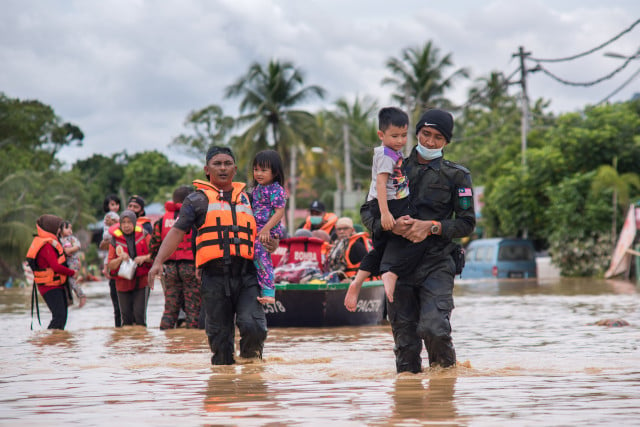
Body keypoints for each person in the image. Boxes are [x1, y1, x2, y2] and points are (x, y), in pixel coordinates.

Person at [359, 108, 475, 373]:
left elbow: (467, 223)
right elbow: (368, 210)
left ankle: (444, 387)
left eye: (438, 137)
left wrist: (431, 227)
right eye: (425, 134)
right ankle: (408, 407)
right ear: (417, 133)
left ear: (447, 142)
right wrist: (390, 226)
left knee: (434, 328)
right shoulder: (393, 164)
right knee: (406, 345)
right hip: (398, 264)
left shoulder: (457, 176)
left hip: (438, 262)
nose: (430, 142)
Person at [148, 146, 269, 365]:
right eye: (217, 164)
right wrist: (158, 262)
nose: (223, 168)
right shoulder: (196, 201)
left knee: (254, 327)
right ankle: (224, 385)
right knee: (220, 345)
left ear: (235, 168)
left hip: (247, 275)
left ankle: (252, 375)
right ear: (207, 169)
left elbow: (270, 235)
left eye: (227, 164)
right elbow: (176, 232)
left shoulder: (251, 199)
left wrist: (272, 241)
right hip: (213, 277)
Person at [346, 107, 420, 303]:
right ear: (381, 135)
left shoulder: (393, 151)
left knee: (379, 249)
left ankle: (357, 282)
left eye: (404, 135)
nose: (400, 140)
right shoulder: (387, 155)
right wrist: (386, 214)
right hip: (390, 205)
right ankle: (389, 274)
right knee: (407, 236)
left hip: (392, 202)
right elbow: (380, 183)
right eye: (394, 136)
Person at [149, 185, 201, 329]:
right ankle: (192, 341)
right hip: (191, 267)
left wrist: (158, 262)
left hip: (170, 268)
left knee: (170, 309)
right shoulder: (195, 218)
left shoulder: (161, 221)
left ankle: (166, 337)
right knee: (193, 309)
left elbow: (153, 246)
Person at [25, 214, 77, 329]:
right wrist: (72, 273)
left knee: (61, 317)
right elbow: (56, 267)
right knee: (59, 317)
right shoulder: (46, 246)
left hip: (54, 284)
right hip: (49, 286)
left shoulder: (50, 242)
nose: (60, 230)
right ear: (51, 227)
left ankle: (55, 343)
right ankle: (50, 341)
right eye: (58, 227)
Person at [250, 149, 287, 304]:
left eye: (264, 170)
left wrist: (265, 229)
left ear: (275, 172)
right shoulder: (255, 190)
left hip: (267, 231)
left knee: (261, 256)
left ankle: (269, 292)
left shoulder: (276, 189)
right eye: (256, 170)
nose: (259, 173)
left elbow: (279, 213)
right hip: (256, 230)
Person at [107, 210, 153, 326]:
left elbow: (155, 255)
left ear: (134, 223)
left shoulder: (144, 234)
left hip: (141, 281)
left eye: (129, 222)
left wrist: (144, 258)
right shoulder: (114, 240)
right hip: (123, 283)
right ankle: (128, 343)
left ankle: (141, 342)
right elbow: (110, 265)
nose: (126, 225)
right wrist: (120, 258)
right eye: (124, 223)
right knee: (126, 319)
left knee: (139, 317)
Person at [99, 194, 122, 327]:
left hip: (119, 263)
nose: (114, 207)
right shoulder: (110, 217)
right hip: (110, 243)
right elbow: (104, 245)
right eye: (112, 204)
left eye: (116, 204)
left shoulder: (118, 218)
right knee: (117, 306)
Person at [60, 221, 87, 308]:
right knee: (66, 282)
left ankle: (81, 295)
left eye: (71, 228)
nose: (70, 230)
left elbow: (78, 246)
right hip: (64, 263)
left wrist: (70, 250)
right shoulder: (58, 239)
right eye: (67, 228)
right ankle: (69, 299)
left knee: (71, 280)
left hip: (73, 262)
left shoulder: (71, 238)